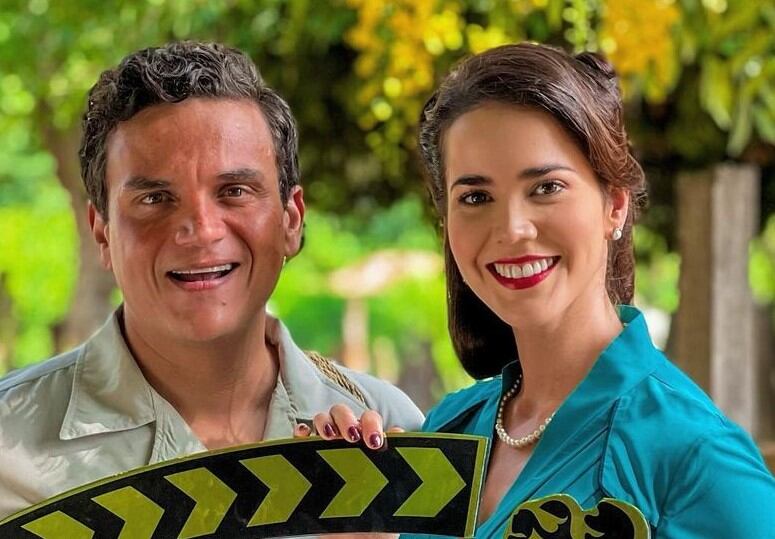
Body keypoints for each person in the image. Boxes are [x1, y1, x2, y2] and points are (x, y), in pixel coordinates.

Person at [306, 43, 775, 537]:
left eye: (546, 187)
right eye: (476, 197)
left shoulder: (691, 453)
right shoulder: (449, 428)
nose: (512, 229)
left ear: (614, 205)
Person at [0, 41, 423, 520]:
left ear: (291, 219)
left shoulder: (392, 430)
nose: (201, 230)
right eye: (155, 199)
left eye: (234, 191)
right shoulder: (8, 451)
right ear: (101, 231)